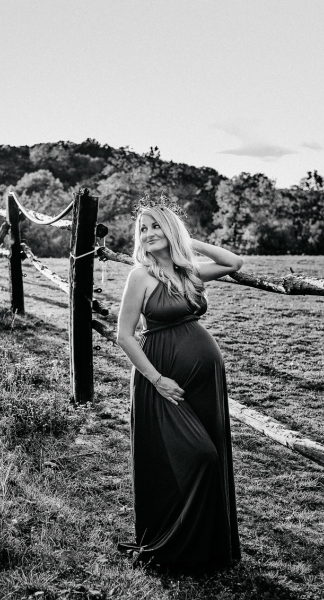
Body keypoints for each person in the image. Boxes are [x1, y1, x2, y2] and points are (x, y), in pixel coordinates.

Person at [116, 196, 243, 571]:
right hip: (161, 380)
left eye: (156, 226)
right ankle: (170, 541)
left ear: (170, 230)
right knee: (197, 457)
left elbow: (233, 263)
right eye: (143, 229)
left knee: (209, 453)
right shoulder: (141, 276)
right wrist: (157, 380)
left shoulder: (189, 273)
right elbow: (124, 336)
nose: (148, 234)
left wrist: (186, 243)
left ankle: (204, 549)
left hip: (204, 382)